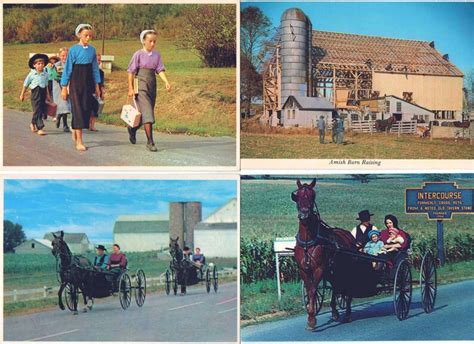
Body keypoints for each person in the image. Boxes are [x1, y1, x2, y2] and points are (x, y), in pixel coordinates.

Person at [127, 29, 171, 152]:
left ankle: (132, 129)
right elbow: (131, 72)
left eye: (154, 41)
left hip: (152, 84)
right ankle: (150, 142)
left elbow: (160, 70)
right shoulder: (138, 54)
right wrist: (130, 88)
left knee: (145, 114)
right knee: (148, 113)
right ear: (143, 41)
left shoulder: (157, 55)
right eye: (150, 41)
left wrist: (166, 82)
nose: (152, 44)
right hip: (140, 85)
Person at [60, 23, 102, 151]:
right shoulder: (73, 50)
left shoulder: (92, 50)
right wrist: (64, 86)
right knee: (77, 110)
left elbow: (95, 68)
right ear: (79, 35)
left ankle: (75, 128)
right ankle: (79, 141)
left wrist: (97, 85)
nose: (88, 38)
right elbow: (67, 69)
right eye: (86, 35)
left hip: (88, 83)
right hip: (76, 83)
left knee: (85, 109)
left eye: (90, 36)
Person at [20, 53, 52, 136]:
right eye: (38, 64)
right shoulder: (32, 74)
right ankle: (40, 128)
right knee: (37, 109)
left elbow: (46, 85)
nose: (40, 65)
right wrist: (22, 94)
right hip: (35, 93)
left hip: (43, 92)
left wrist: (48, 95)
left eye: (42, 64)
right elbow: (25, 84)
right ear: (34, 65)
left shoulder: (45, 74)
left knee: (40, 109)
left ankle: (32, 122)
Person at [52, 47, 71, 132]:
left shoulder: (71, 64)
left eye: (66, 55)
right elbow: (55, 76)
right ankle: (65, 125)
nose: (65, 57)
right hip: (59, 87)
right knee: (63, 104)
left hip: (68, 87)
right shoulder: (57, 65)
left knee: (66, 105)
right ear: (59, 56)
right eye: (63, 55)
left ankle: (59, 116)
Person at [89, 53, 105, 131]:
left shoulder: (101, 72)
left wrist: (102, 92)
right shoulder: (89, 71)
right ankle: (88, 123)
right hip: (90, 91)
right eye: (97, 60)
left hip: (98, 92)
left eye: (100, 60)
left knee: (96, 109)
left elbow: (101, 83)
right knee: (88, 108)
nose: (99, 61)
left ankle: (92, 125)